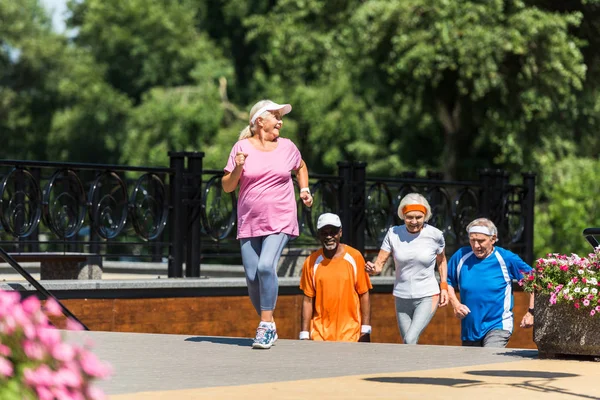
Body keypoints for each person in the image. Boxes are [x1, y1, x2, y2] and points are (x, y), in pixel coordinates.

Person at [222, 99, 313, 349]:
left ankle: (263, 326)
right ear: (259, 121)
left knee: (265, 267)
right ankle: (270, 324)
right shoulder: (241, 147)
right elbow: (228, 185)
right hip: (249, 221)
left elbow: (301, 166)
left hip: (281, 218)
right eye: (275, 115)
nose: (280, 120)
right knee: (252, 277)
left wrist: (304, 189)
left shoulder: (287, 147)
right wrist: (238, 168)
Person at [365, 193, 448, 344]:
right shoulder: (394, 233)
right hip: (401, 296)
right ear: (402, 215)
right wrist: (373, 269)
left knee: (410, 339)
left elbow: (441, 261)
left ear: (425, 216)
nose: (414, 221)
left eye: (419, 217)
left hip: (427, 295)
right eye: (409, 217)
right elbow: (379, 263)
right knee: (408, 343)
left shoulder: (435, 235)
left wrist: (444, 287)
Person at [446, 218, 534, 347]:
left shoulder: (506, 258)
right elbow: (447, 281)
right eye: (472, 240)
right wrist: (456, 304)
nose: (476, 246)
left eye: (481, 241)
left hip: (498, 325)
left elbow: (534, 282)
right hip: (470, 329)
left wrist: (531, 312)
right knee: (472, 366)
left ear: (493, 239)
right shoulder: (461, 256)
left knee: (488, 358)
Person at [299, 213, 372, 342]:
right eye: (324, 233)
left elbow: (364, 294)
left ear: (340, 233)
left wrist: (365, 330)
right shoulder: (311, 262)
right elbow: (307, 300)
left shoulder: (355, 257)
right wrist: (304, 334)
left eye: (333, 232)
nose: (329, 237)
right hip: (319, 336)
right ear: (318, 235)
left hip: (351, 335)